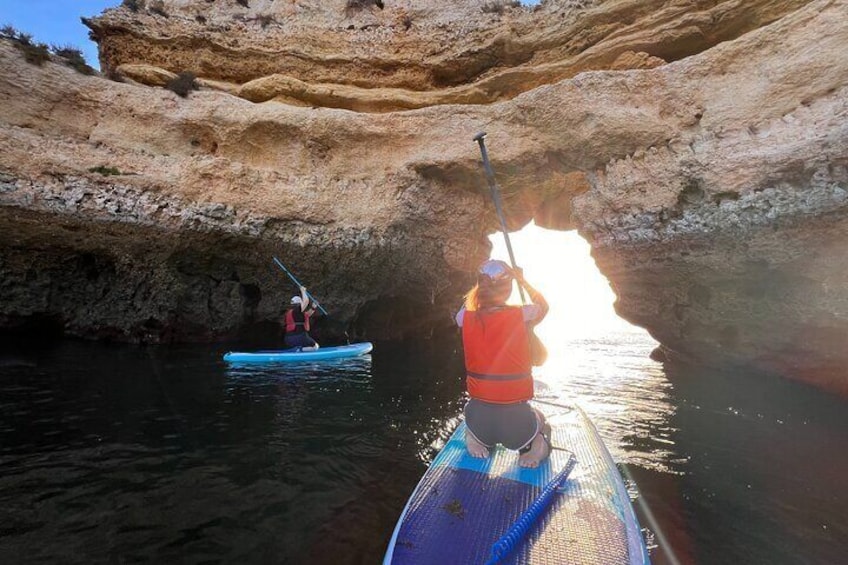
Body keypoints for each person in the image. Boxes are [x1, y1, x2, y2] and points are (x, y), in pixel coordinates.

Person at [455, 259, 550, 468]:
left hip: (479, 420)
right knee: (542, 420)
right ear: (508, 290)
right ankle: (536, 448)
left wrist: (483, 282)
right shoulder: (522, 315)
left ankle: (474, 437)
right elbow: (543, 306)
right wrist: (522, 279)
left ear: (480, 287)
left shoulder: (463, 318)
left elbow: (467, 307)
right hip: (517, 426)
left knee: (478, 410)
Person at [283, 286, 320, 351]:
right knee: (315, 346)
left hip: (288, 339)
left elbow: (307, 315)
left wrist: (313, 307)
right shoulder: (297, 310)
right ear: (299, 303)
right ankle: (300, 350)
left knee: (302, 343)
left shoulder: (290, 313)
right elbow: (306, 301)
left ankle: (296, 349)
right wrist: (303, 291)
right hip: (300, 336)